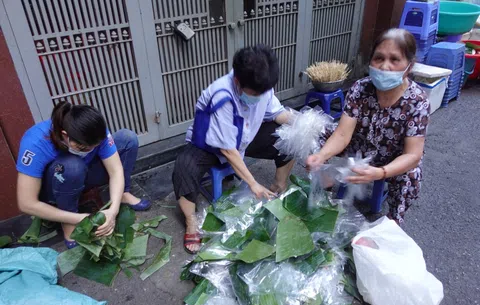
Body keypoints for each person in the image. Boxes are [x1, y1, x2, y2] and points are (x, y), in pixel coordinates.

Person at [173, 44, 295, 253]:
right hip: (209, 146)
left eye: (263, 92)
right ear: (238, 82)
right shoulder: (221, 96)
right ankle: (191, 220)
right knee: (183, 168)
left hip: (245, 139)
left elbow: (276, 113)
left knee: (289, 138)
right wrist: (253, 184)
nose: (260, 96)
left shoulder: (261, 84)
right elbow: (228, 150)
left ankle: (278, 188)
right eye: (255, 93)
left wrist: (302, 123)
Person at [306, 28, 430, 224]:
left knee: (411, 174)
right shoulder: (360, 88)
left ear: (410, 66)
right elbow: (342, 135)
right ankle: (326, 190)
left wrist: (382, 172)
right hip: (360, 146)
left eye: (394, 59)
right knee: (315, 134)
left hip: (392, 157)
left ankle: (393, 221)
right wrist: (321, 156)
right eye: (378, 58)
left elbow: (412, 154)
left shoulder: (417, 101)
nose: (384, 66)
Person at [16, 101, 151, 248]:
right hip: (55, 185)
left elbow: (116, 171)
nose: (90, 150)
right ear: (65, 135)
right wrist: (84, 219)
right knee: (72, 166)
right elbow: (26, 203)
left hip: (85, 173)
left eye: (95, 147)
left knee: (127, 138)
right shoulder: (36, 142)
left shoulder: (95, 132)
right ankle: (68, 221)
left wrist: (113, 210)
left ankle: (122, 193)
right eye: (83, 147)